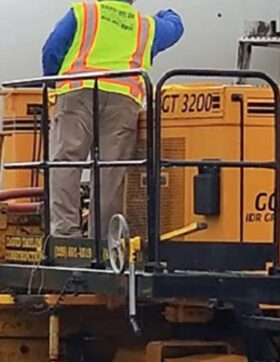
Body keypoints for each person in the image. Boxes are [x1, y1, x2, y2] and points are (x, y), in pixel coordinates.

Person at [41, 0, 183, 237]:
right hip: (123, 101)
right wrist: (166, 13)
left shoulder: (85, 12)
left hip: (78, 93)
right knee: (111, 170)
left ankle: (66, 233)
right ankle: (104, 237)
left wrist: (52, 82)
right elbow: (175, 27)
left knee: (67, 161)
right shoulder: (145, 26)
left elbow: (52, 50)